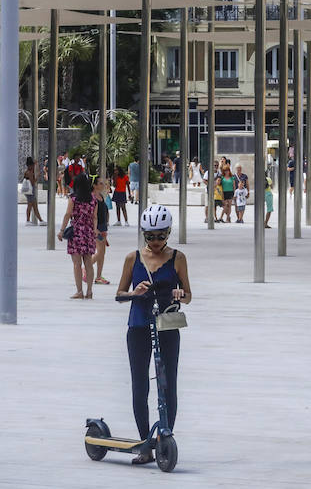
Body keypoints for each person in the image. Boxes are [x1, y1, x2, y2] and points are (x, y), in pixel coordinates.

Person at [116, 205, 192, 465]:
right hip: (138, 326)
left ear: (169, 232)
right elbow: (119, 295)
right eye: (150, 236)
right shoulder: (132, 258)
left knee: (168, 382)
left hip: (167, 327)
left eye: (161, 235)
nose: (156, 241)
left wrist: (180, 294)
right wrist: (134, 293)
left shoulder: (178, 258)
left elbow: (190, 295)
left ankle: (164, 437)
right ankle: (143, 445)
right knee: (140, 384)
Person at [59, 172, 98, 299]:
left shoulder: (73, 198)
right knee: (88, 263)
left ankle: (79, 291)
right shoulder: (93, 199)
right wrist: (95, 230)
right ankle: (90, 291)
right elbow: (95, 217)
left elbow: (68, 214)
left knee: (77, 264)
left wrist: (61, 230)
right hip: (88, 233)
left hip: (76, 232)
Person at [93, 177, 112, 287]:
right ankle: (86, 267)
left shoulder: (101, 196)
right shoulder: (93, 198)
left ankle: (99, 276)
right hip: (98, 228)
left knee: (102, 253)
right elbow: (93, 216)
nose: (103, 185)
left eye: (104, 183)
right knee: (99, 252)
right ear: (94, 185)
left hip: (103, 227)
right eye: (100, 183)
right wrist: (96, 230)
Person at [22, 157, 43, 226]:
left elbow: (36, 171)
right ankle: (28, 220)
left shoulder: (28, 171)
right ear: (30, 165)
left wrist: (37, 165)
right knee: (31, 205)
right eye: (33, 165)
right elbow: (33, 182)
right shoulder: (29, 173)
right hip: (30, 191)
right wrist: (37, 177)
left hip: (30, 191)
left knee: (34, 206)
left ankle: (41, 220)